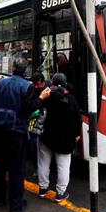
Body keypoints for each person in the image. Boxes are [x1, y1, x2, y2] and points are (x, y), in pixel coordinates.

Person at [0, 57, 51, 212]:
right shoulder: (28, 86)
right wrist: (41, 98)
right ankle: (15, 205)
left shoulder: (2, 83)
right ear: (26, 71)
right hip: (17, 132)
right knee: (16, 169)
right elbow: (28, 110)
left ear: (12, 69)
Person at [37, 73, 81, 203]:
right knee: (63, 166)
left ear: (52, 83)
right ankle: (61, 193)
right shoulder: (71, 99)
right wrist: (76, 134)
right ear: (65, 83)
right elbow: (77, 120)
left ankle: (43, 189)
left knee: (43, 163)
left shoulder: (46, 96)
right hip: (65, 139)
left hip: (47, 137)